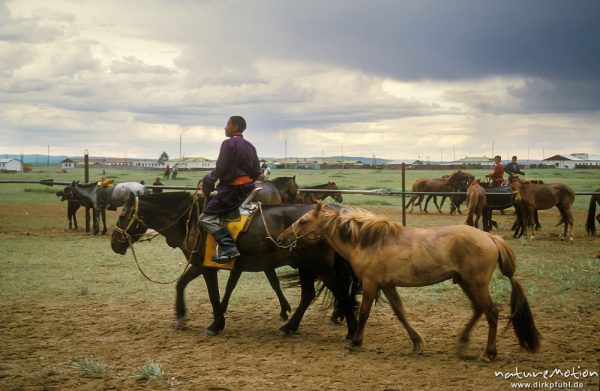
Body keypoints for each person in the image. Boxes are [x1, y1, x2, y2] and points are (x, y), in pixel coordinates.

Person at [199, 116, 261, 263]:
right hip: (247, 188)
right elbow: (257, 170)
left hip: (232, 191)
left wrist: (207, 181)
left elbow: (221, 168)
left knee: (205, 219)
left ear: (235, 126)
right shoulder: (250, 146)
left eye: (227, 124)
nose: (225, 127)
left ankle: (228, 247)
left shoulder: (228, 144)